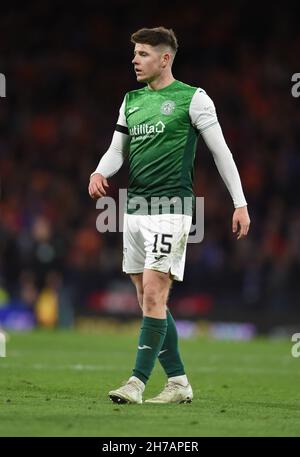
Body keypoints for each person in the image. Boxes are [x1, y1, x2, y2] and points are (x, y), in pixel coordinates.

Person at [88, 26, 250, 404]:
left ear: (165, 58)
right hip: (133, 209)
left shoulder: (193, 99)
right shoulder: (130, 101)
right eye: (135, 54)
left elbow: (221, 152)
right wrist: (99, 171)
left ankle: (136, 383)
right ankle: (178, 382)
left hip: (172, 209)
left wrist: (239, 202)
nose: (134, 60)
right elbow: (117, 151)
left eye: (143, 54)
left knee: (155, 293)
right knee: (148, 299)